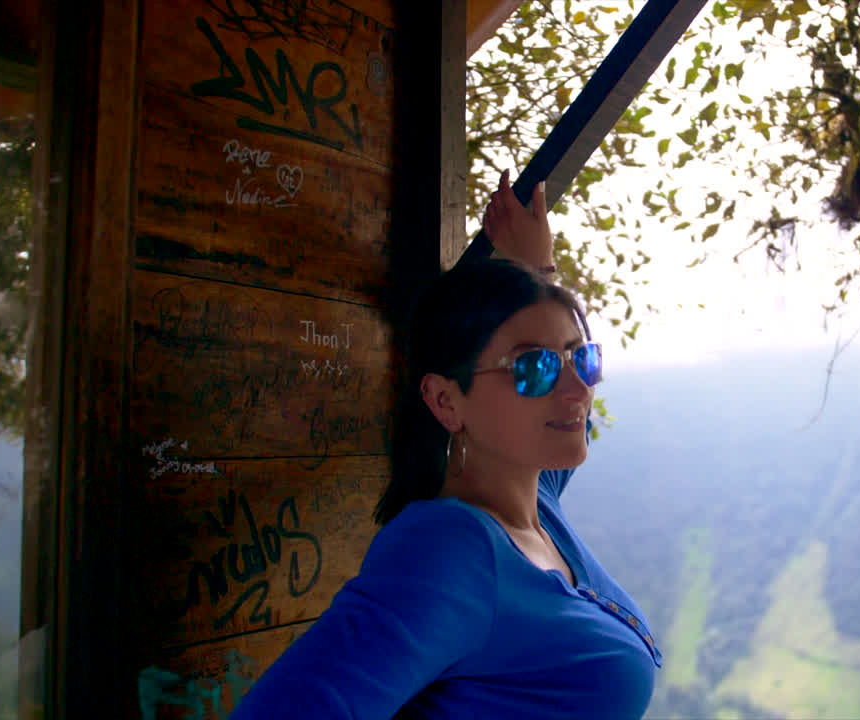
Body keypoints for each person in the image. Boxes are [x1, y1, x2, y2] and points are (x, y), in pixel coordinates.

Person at [228, 171, 662, 719]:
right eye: (534, 368)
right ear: (445, 401)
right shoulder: (449, 553)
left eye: (583, 357)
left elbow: (571, 410)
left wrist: (538, 270)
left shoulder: (536, 503)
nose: (579, 389)